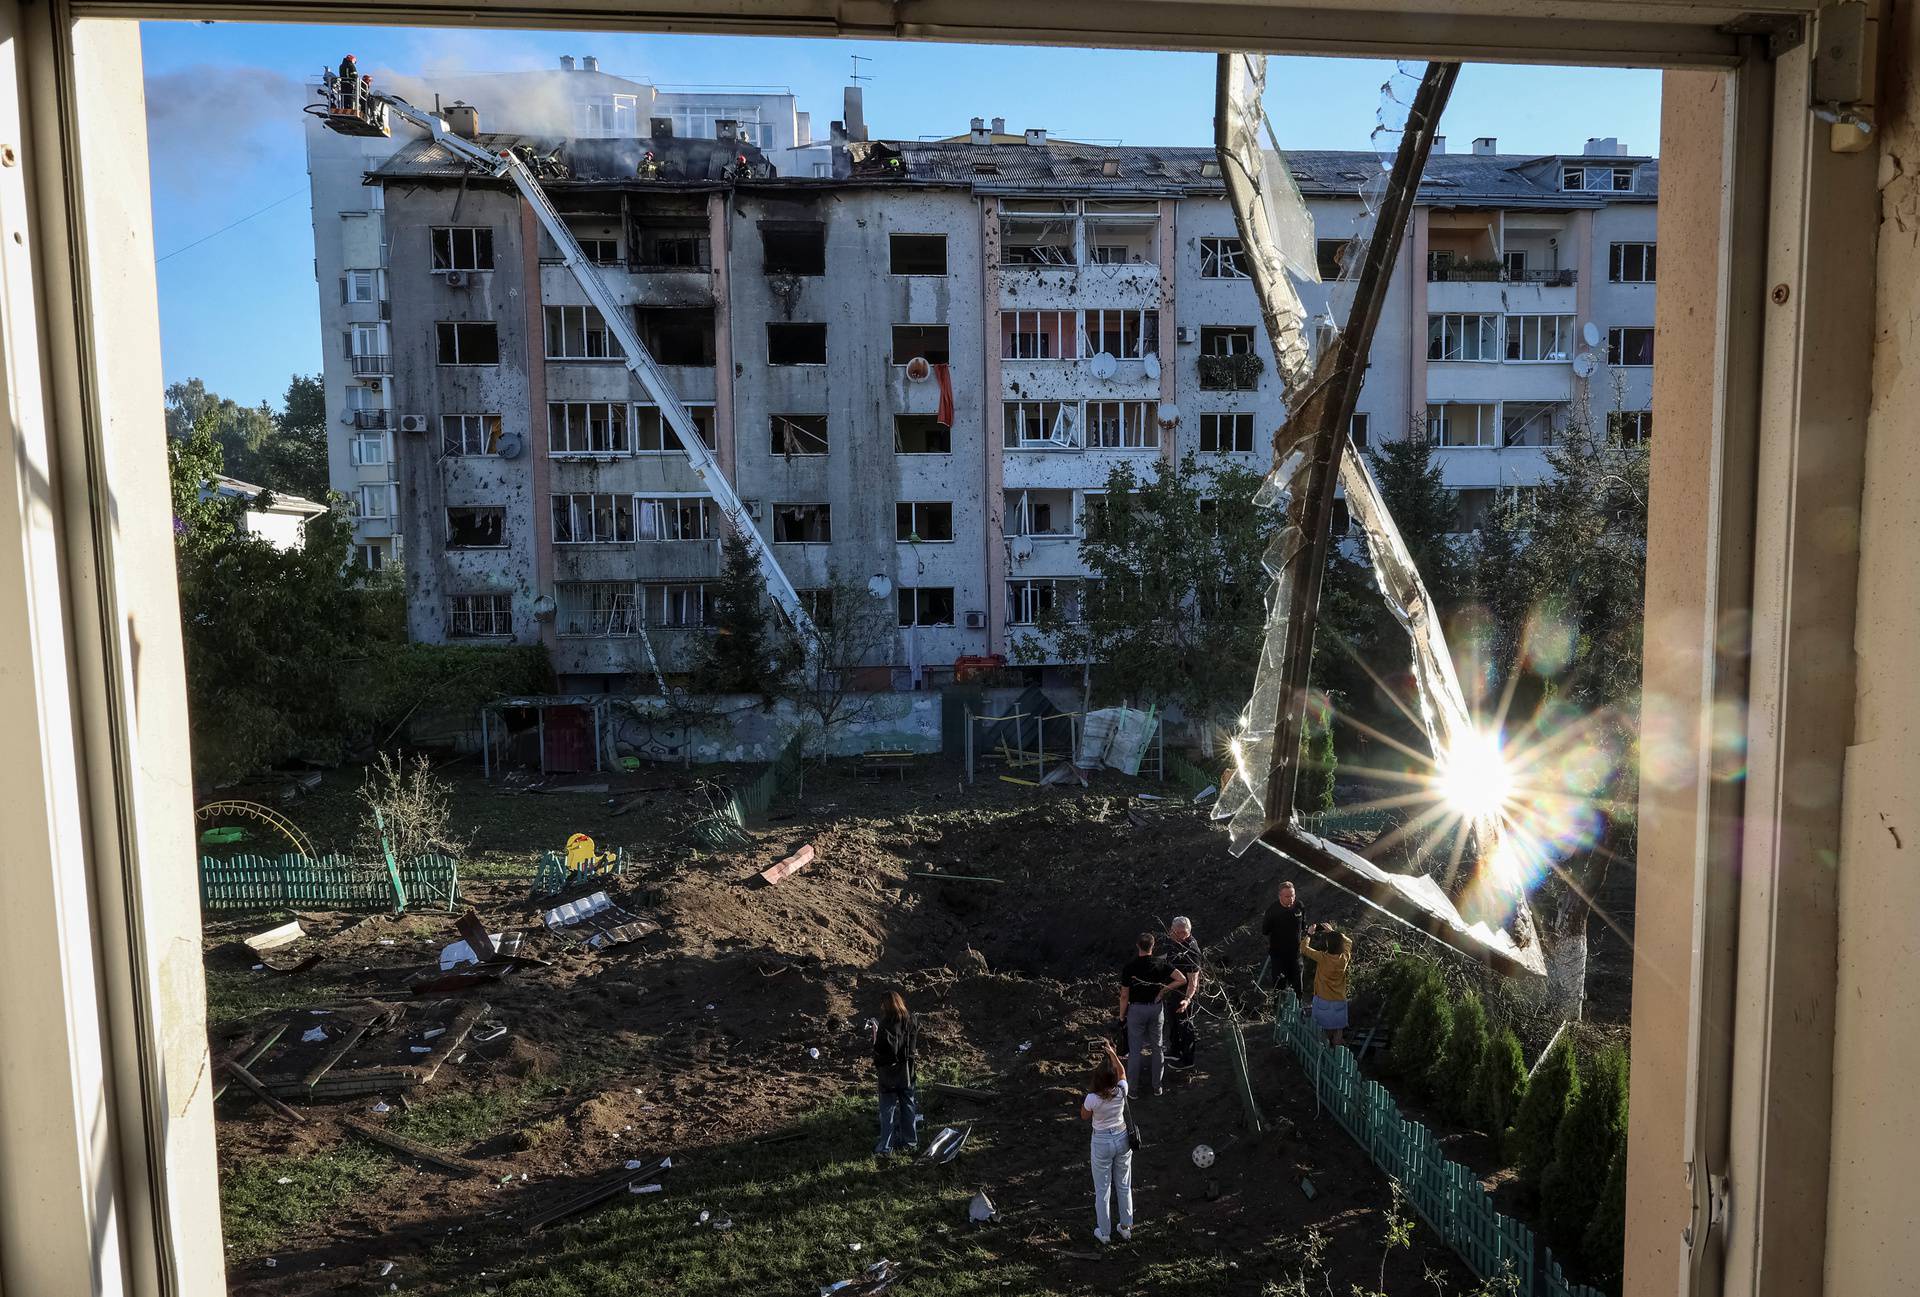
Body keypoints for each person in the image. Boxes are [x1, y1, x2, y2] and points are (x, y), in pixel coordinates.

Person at [1118, 931, 1186, 1097]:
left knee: (1135, 1051)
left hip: (1136, 1010)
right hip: (1156, 1008)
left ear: (1137, 946)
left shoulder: (1130, 967)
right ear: (1153, 946)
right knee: (1157, 1047)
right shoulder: (1160, 963)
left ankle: (1132, 1090)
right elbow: (1182, 979)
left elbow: (1124, 995)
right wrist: (1163, 991)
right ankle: (1157, 1086)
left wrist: (1121, 1015)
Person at [1078, 1038, 1133, 1245]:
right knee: (1124, 1184)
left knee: (1102, 1189)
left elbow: (1084, 1115)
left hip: (1101, 1141)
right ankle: (1126, 1227)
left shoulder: (1092, 1098)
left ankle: (1104, 1231)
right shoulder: (1121, 1091)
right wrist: (1112, 1054)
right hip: (1122, 1137)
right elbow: (1122, 1073)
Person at [870, 992, 920, 1156]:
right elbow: (911, 1048)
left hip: (888, 1074)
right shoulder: (911, 1019)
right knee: (908, 1105)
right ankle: (910, 1142)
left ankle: (885, 1147)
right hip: (907, 1071)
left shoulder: (885, 1023)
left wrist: (875, 1036)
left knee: (887, 1110)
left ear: (886, 1005)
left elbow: (881, 1050)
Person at [1300, 922, 1353, 1047]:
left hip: (1323, 999)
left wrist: (1309, 934)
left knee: (1324, 1033)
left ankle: (1324, 1053)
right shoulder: (1344, 958)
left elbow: (1304, 949)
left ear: (1328, 945)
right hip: (1340, 999)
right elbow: (1349, 942)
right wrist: (1333, 932)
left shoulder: (1322, 957)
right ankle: (1338, 1053)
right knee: (1338, 1031)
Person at [1163, 917, 1202, 1070]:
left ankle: (1187, 1060)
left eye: (1183, 933)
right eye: (1176, 932)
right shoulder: (1173, 942)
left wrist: (1187, 1000)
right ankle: (1175, 1050)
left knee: (1186, 1026)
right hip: (1173, 991)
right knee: (1173, 1021)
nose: (1180, 936)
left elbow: (1193, 981)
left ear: (1189, 931)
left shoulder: (1192, 951)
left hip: (1184, 994)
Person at [1261, 880, 1306, 1002]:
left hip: (1296, 955)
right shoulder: (1272, 910)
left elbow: (1303, 926)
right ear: (1280, 896)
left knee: (1298, 988)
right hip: (1279, 956)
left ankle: (1297, 1014)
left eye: (1293, 895)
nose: (1291, 899)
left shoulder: (1299, 906)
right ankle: (1278, 1015)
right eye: (1287, 896)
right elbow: (1265, 931)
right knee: (1279, 988)